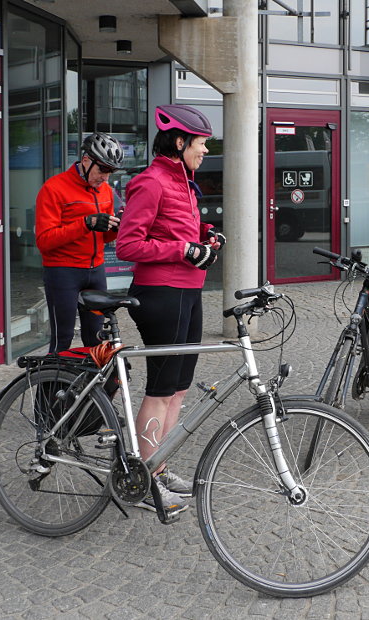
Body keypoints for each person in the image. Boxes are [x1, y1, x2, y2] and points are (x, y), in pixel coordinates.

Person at [115, 104, 225, 514]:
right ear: (180, 142)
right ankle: (142, 476)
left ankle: (157, 466)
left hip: (189, 293)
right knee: (161, 391)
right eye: (201, 144)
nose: (205, 151)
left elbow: (180, 229)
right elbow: (127, 245)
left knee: (178, 389)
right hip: (161, 293)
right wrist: (182, 248)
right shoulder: (152, 182)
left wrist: (205, 236)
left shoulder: (185, 181)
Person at [35, 132, 124, 353]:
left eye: (111, 172)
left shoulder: (106, 191)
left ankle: (88, 387)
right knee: (62, 338)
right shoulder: (54, 188)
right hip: (63, 273)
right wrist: (86, 223)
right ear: (86, 160)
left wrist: (116, 228)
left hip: (96, 272)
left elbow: (103, 237)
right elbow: (44, 241)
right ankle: (47, 388)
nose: (105, 177)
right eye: (102, 169)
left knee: (95, 339)